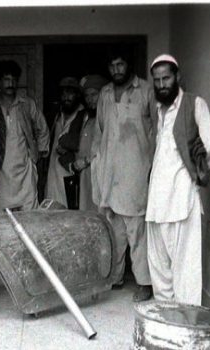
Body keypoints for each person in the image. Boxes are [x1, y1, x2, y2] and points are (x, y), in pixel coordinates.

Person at [146, 55, 210, 305]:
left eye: (166, 78)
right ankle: (167, 316)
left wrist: (195, 175)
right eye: (157, 80)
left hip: (181, 199)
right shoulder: (159, 110)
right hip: (156, 201)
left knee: (185, 267)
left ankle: (186, 321)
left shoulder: (195, 104)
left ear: (178, 76)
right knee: (159, 265)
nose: (161, 84)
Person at [92, 49, 156, 302]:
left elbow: (156, 130)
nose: (117, 69)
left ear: (129, 65)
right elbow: (99, 133)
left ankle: (144, 282)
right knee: (113, 229)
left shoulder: (146, 91)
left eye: (121, 64)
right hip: (110, 172)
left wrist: (152, 167)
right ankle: (115, 277)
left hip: (136, 171)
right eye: (112, 65)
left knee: (136, 231)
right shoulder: (105, 94)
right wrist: (97, 165)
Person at [0, 59, 50, 213]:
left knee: (30, 216)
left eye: (13, 80)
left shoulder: (26, 103)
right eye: (7, 80)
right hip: (0, 172)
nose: (10, 84)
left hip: (24, 171)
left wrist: (37, 156)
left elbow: (43, 128)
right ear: (0, 81)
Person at [44, 76, 84, 208]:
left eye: (71, 93)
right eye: (64, 93)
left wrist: (69, 145)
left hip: (72, 179)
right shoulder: (55, 115)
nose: (67, 97)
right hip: (52, 179)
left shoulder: (83, 115)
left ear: (77, 95)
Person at [72, 74, 107, 212]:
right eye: (87, 95)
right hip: (86, 176)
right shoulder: (86, 117)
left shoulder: (108, 117)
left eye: (94, 94)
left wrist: (86, 161)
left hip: (101, 175)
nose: (90, 99)